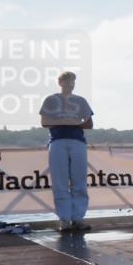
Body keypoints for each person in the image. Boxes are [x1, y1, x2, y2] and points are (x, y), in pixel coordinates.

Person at [39, 71, 94, 232]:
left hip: (78, 141)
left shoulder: (80, 100)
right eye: (68, 81)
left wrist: (73, 123)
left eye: (73, 81)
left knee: (80, 181)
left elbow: (89, 124)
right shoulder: (51, 100)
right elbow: (44, 122)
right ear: (60, 82)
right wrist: (66, 121)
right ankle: (64, 219)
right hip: (57, 141)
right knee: (60, 182)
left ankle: (78, 218)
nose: (71, 84)